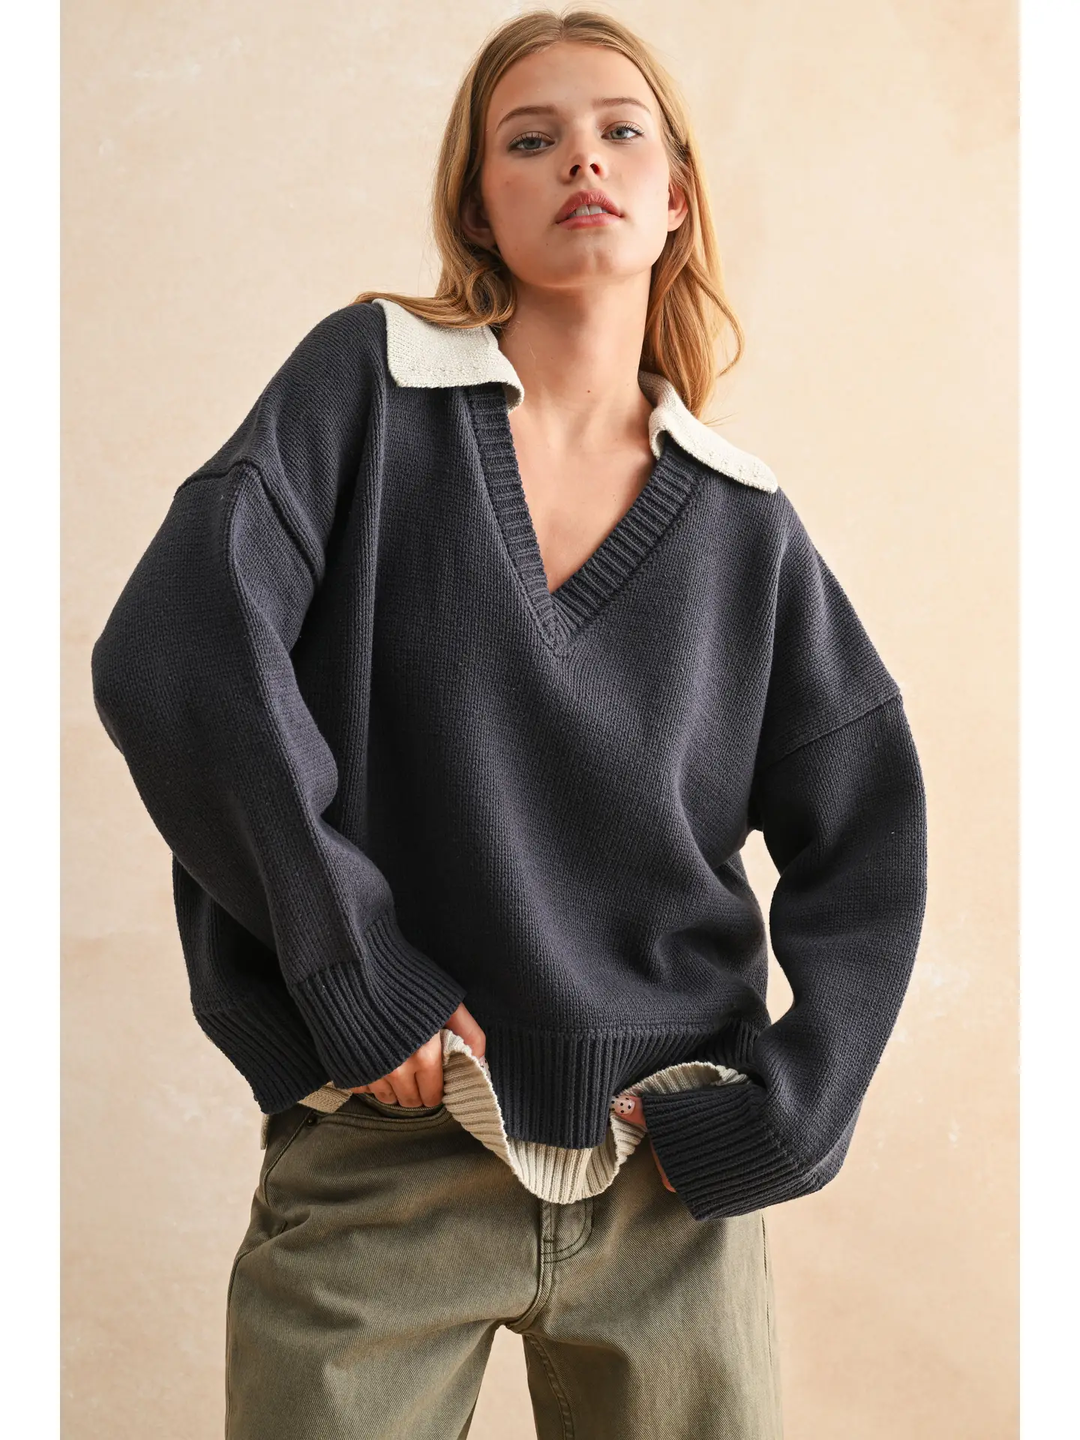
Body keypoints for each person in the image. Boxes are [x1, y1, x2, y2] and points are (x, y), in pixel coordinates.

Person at [90, 9, 927, 1439]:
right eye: (528, 140)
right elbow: (178, 653)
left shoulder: (747, 526)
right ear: (478, 204)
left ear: (676, 196)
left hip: (667, 1189)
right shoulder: (368, 387)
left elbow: (871, 838)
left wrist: (793, 1112)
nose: (580, 160)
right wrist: (353, 961)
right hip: (389, 1152)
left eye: (620, 132)